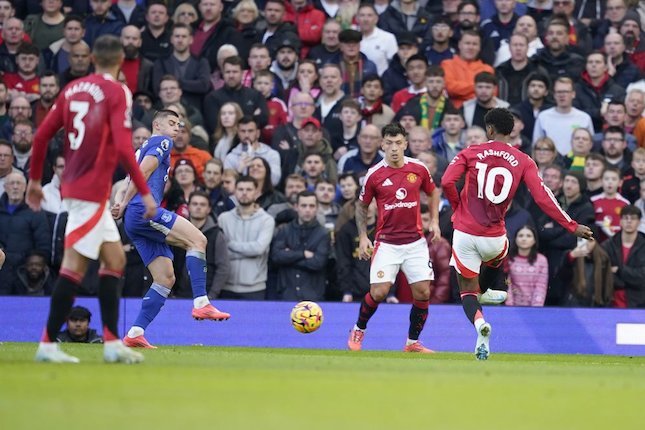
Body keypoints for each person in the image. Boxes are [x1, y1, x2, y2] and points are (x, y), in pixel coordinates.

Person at [27, 34, 156, 364]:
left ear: (94, 59)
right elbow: (126, 148)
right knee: (73, 268)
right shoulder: (117, 91)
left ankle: (112, 343)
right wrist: (144, 191)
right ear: (120, 61)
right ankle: (47, 344)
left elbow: (41, 135)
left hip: (78, 186)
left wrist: (34, 180)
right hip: (90, 191)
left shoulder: (72, 89)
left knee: (115, 260)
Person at [441, 108, 594, 360]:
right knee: (494, 261)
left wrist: (457, 207)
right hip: (495, 236)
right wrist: (571, 225)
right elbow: (543, 197)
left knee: (467, 291)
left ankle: (480, 322)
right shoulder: (523, 160)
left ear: (489, 129)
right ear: (511, 131)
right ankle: (486, 293)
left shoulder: (470, 152)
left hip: (465, 232)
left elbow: (447, 181)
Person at [113, 109, 231, 349]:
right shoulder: (162, 141)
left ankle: (135, 333)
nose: (177, 128)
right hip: (144, 210)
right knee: (198, 240)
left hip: (134, 219)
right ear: (157, 124)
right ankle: (201, 302)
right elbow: (143, 171)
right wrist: (125, 203)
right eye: (171, 122)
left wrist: (118, 201)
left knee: (165, 278)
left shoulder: (141, 147)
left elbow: (128, 178)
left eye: (179, 124)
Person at [347, 122, 441, 354]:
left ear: (406, 144)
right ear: (382, 145)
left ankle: (412, 343)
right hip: (386, 243)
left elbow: (433, 192)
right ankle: (359, 329)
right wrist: (363, 237)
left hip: (415, 242)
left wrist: (436, 221)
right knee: (379, 292)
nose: (394, 148)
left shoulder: (419, 168)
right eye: (389, 143)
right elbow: (362, 206)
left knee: (423, 292)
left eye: (398, 143)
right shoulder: (374, 174)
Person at [218, 176, 276, 299]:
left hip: (255, 288)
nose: (244, 193)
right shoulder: (223, 218)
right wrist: (249, 252)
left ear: (256, 192)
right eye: (241, 189)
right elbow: (221, 252)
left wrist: (231, 245)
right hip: (226, 286)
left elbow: (258, 249)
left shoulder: (266, 220)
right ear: (235, 191)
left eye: (249, 189)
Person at [271, 190, 330, 301]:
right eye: (303, 206)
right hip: (287, 293)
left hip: (313, 294)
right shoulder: (285, 230)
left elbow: (318, 263)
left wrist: (289, 257)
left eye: (311, 206)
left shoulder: (323, 233)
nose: (307, 210)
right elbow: (276, 257)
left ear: (317, 208)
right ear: (296, 207)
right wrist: (303, 254)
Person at [603, 205, 645, 308]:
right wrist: (631, 277)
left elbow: (643, 277)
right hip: (612, 301)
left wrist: (619, 270)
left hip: (639, 302)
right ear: (620, 221)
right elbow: (604, 274)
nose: (629, 221)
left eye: (633, 218)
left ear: (639, 222)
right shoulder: (608, 245)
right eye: (626, 218)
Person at [504, 225, 548, 307]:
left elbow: (541, 286)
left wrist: (535, 309)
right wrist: (510, 308)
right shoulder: (508, 259)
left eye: (528, 236)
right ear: (515, 239)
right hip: (512, 308)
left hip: (534, 308)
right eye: (520, 236)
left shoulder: (541, 260)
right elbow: (508, 285)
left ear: (534, 240)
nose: (524, 239)